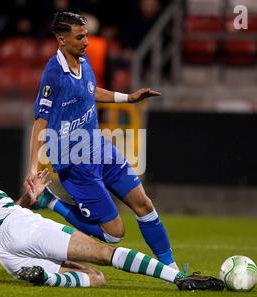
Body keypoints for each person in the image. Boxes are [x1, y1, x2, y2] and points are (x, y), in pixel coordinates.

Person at [0, 129, 224, 290]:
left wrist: (29, 199)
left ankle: (46, 277)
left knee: (95, 280)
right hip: (23, 228)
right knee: (105, 254)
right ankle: (179, 279)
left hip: (4, 251)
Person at [27, 12, 179, 270]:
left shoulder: (83, 62)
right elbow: (39, 123)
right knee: (113, 234)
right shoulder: (53, 75)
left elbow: (90, 91)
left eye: (86, 35)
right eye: (80, 37)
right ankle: (50, 201)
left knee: (143, 204)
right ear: (62, 40)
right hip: (74, 161)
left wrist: (128, 98)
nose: (86, 41)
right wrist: (32, 169)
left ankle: (173, 270)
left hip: (100, 148)